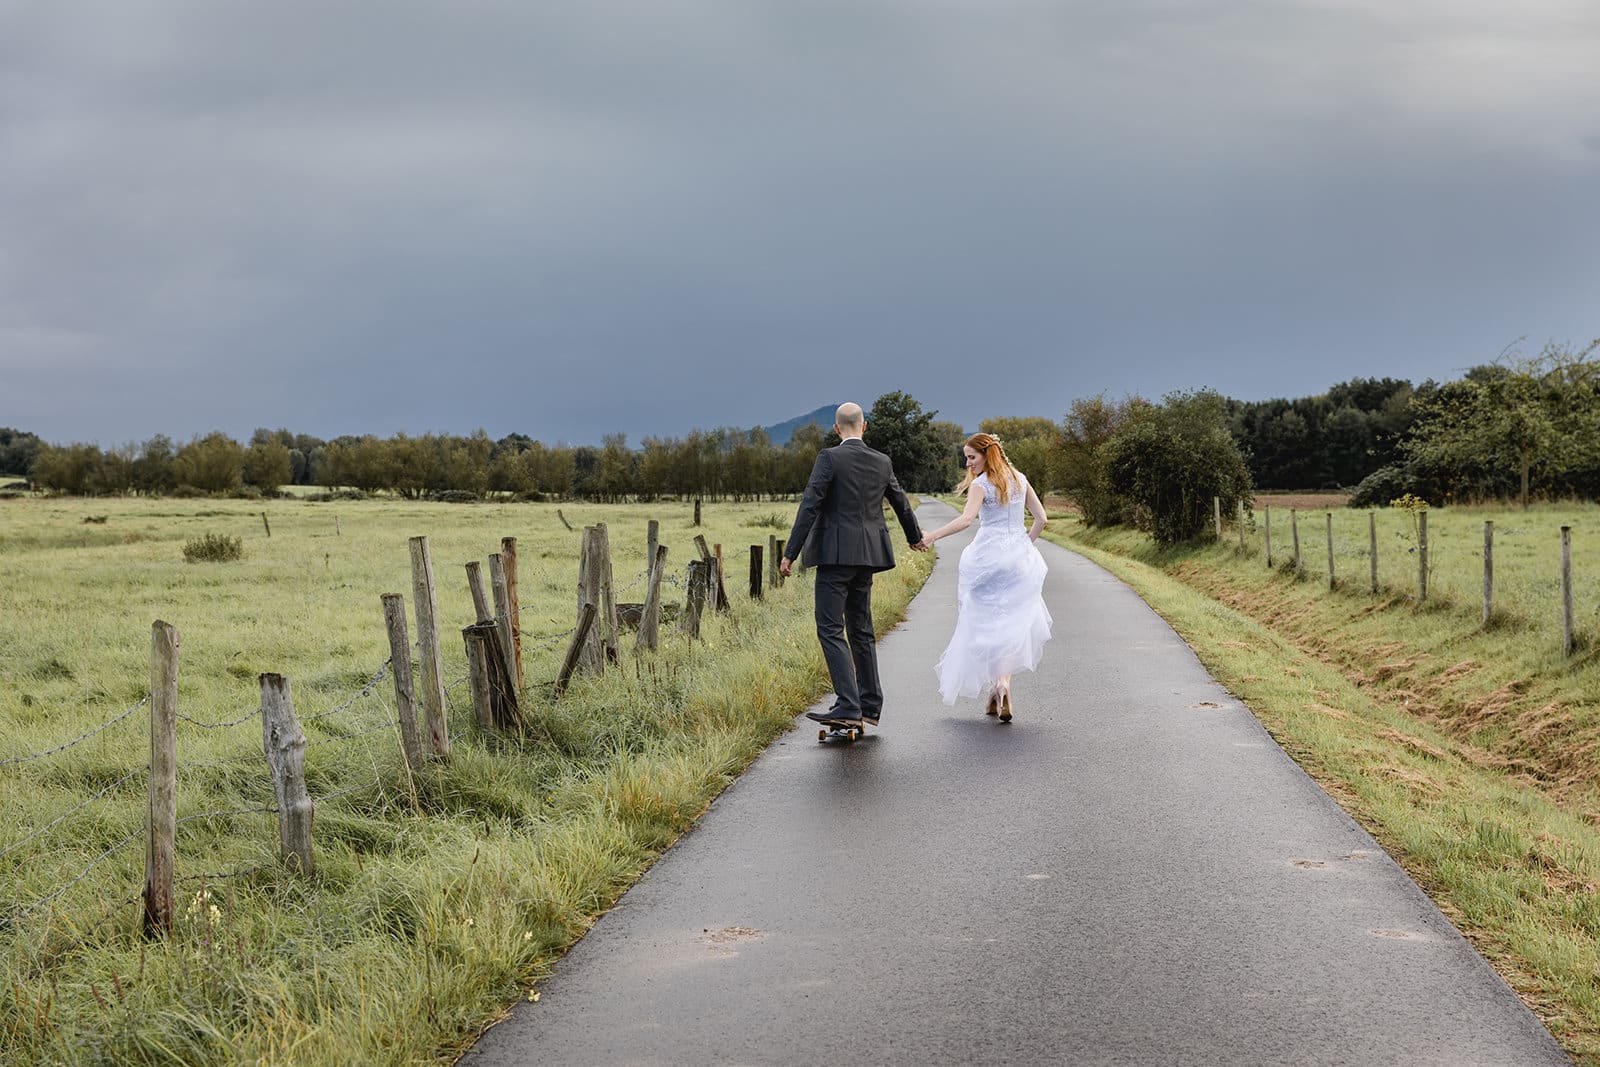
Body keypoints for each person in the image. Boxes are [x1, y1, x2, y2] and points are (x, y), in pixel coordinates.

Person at [780, 402, 925, 730]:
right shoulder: (882, 461)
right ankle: (869, 704)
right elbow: (900, 502)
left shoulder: (829, 458)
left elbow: (810, 505)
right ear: (865, 426)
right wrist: (915, 537)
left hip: (834, 556)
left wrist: (790, 553)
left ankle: (847, 704)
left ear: (836, 429)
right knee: (861, 629)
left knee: (830, 628)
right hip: (869, 557)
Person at [916, 433, 1052, 722]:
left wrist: (932, 536)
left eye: (971, 457)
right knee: (1010, 623)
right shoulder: (1020, 479)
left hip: (986, 560)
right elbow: (1041, 519)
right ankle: (1001, 685)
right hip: (1018, 559)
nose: (968, 463)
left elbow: (966, 520)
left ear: (987, 455)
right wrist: (1024, 546)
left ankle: (998, 686)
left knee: (986, 622)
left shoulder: (980, 485)